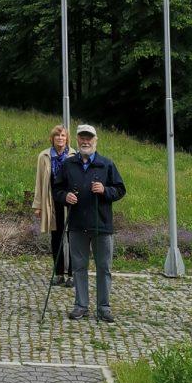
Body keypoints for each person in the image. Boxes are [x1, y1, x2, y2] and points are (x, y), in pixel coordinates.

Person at [52, 123, 125, 323]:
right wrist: (65, 196)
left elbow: (120, 189)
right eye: (82, 138)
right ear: (77, 140)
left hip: (102, 225)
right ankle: (81, 306)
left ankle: (104, 308)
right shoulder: (68, 164)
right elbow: (56, 189)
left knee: (104, 268)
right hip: (77, 225)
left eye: (89, 138)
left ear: (95, 140)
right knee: (79, 268)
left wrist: (105, 190)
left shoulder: (106, 164)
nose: (85, 141)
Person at [33, 124, 74, 287]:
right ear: (52, 138)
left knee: (72, 237)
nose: (60, 138)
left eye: (63, 135)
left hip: (70, 201)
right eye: (57, 135)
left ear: (67, 138)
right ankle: (59, 274)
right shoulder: (44, 156)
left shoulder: (73, 155)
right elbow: (39, 181)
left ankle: (72, 275)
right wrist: (38, 205)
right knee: (56, 238)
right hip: (52, 201)